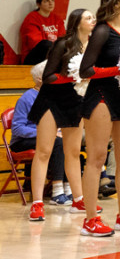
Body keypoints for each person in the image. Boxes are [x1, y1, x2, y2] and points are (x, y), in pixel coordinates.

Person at [77, 0, 120, 236]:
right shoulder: (102, 31)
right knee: (96, 158)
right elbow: (85, 70)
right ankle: (90, 219)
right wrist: (117, 71)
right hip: (101, 96)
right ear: (115, 3)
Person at [25, 8, 96, 220]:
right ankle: (37, 204)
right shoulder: (63, 43)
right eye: (88, 17)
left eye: (93, 17)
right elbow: (47, 76)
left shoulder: (94, 48)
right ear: (77, 23)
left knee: (73, 152)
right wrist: (73, 77)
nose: (93, 20)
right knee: (44, 151)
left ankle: (78, 199)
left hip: (75, 102)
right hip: (51, 100)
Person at [13, 63, 70, 216]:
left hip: (47, 137)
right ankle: (57, 192)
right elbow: (18, 128)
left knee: (67, 141)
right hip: (22, 141)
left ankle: (68, 187)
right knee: (56, 142)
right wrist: (44, 133)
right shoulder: (26, 98)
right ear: (39, 79)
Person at [19, 0, 65, 66]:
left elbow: (62, 39)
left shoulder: (57, 19)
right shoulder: (32, 18)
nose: (51, 3)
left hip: (53, 55)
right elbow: (35, 43)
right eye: (47, 1)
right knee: (46, 44)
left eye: (52, 0)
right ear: (38, 4)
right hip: (34, 57)